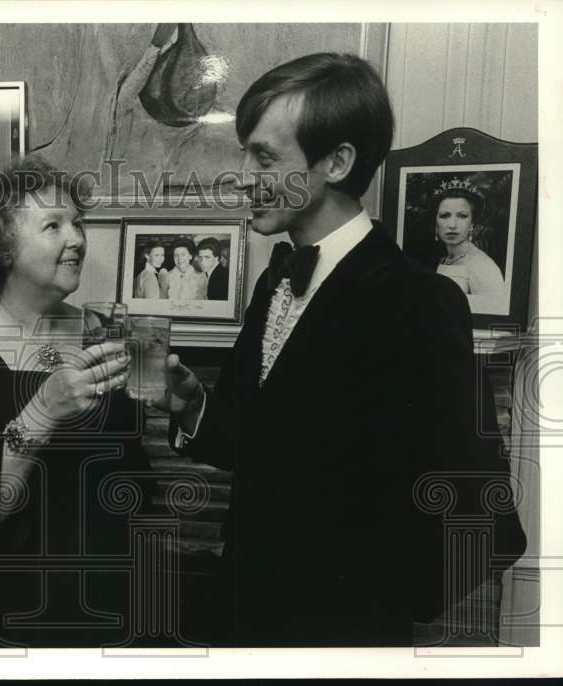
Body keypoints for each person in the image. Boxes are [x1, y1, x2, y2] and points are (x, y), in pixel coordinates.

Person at [155, 53, 525, 646]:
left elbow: (477, 503)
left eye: (266, 156)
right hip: (244, 614)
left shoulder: (418, 300)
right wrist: (196, 408)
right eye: (244, 152)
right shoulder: (274, 280)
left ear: (338, 161)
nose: (243, 174)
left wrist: (373, 608)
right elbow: (254, 448)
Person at [0, 156, 161, 648]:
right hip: (10, 606)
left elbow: (132, 471)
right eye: (52, 225)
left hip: (112, 596)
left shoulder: (106, 331)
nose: (76, 237)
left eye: (77, 222)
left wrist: (164, 398)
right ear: (2, 247)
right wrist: (43, 410)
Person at [431, 181, 507, 306]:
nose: (452, 225)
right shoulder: (444, 260)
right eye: (444, 216)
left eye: (462, 216)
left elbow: (493, 315)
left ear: (472, 224)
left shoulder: (483, 267)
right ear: (436, 225)